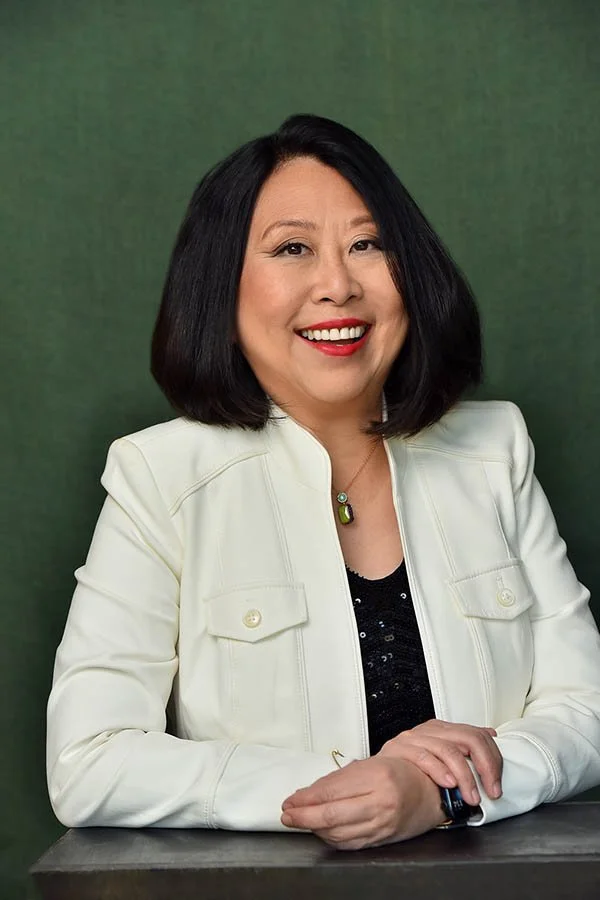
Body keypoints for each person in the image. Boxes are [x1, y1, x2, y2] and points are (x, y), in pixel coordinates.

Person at [46, 114, 600, 850]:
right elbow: (89, 762)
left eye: (368, 245)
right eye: (293, 249)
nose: (337, 284)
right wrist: (355, 787)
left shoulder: (495, 448)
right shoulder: (160, 477)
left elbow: (586, 710)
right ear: (224, 288)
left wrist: (441, 793)